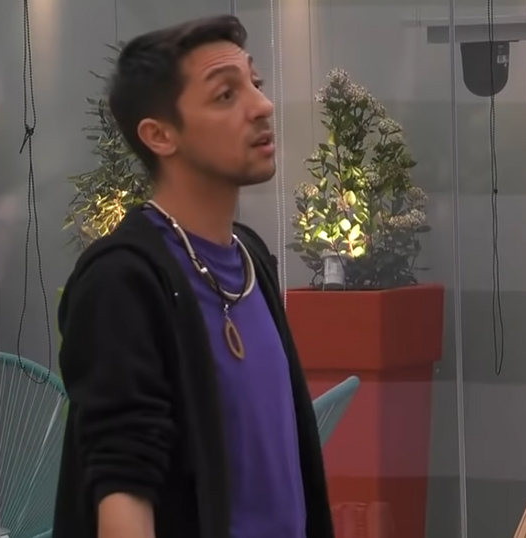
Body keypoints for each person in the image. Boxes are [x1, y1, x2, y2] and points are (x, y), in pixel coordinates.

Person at [52, 15, 333, 538]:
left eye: (255, 83)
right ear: (160, 135)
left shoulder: (250, 257)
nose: (262, 105)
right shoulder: (122, 281)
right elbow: (123, 488)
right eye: (226, 95)